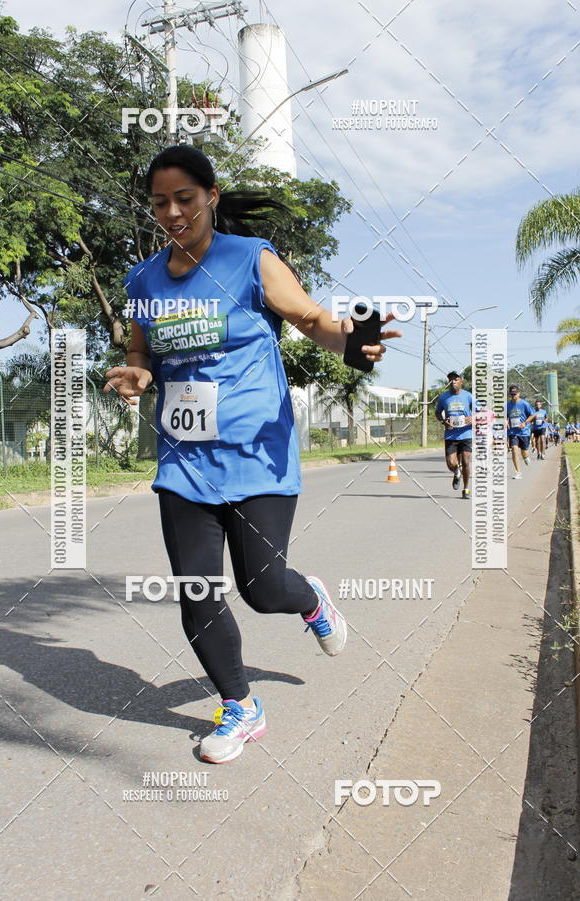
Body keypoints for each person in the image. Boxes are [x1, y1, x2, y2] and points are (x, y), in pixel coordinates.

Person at [104, 145, 400, 764]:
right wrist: (136, 375)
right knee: (197, 589)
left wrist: (352, 342)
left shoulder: (250, 259)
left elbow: (310, 318)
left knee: (264, 589)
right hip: (185, 462)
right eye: (160, 202)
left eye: (185, 197)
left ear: (211, 196)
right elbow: (142, 353)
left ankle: (310, 599)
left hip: (258, 454)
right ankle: (240, 706)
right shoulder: (143, 280)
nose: (173, 211)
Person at [434, 371, 476, 499]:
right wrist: (443, 421)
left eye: (456, 379)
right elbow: (437, 412)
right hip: (451, 435)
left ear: (461, 381)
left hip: (466, 433)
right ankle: (457, 472)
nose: (453, 382)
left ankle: (466, 489)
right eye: (451, 380)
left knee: (466, 462)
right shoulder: (444, 397)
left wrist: (473, 418)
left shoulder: (468, 396)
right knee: (450, 463)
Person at [507, 386, 536, 478]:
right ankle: (518, 472)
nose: (513, 396)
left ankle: (526, 457)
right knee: (514, 449)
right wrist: (505, 421)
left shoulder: (524, 404)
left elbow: (533, 415)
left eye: (515, 394)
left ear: (519, 394)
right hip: (513, 432)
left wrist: (525, 423)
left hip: (524, 431)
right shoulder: (507, 405)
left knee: (524, 452)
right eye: (511, 394)